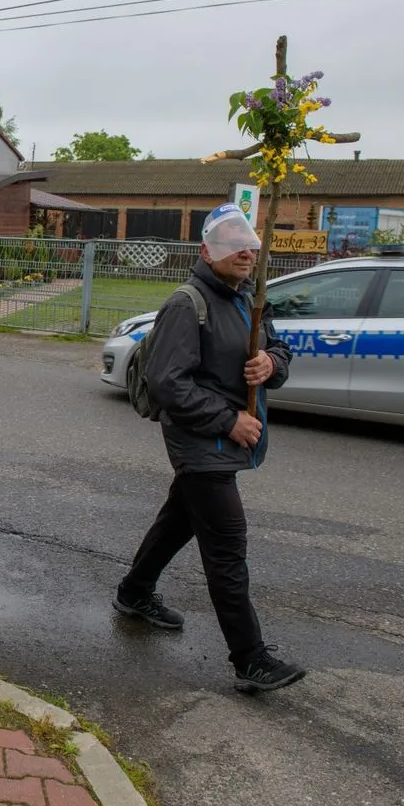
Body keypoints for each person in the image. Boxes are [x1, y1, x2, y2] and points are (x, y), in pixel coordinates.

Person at [113, 203, 303, 694]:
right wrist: (228, 420)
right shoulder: (187, 303)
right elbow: (167, 382)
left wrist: (270, 364)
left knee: (179, 519)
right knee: (227, 548)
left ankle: (134, 593)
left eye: (249, 245)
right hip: (201, 441)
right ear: (206, 250)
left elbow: (279, 350)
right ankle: (250, 659)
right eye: (232, 244)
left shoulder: (249, 298)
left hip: (226, 438)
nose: (244, 252)